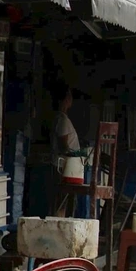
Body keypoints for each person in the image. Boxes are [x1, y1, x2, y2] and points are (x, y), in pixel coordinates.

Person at [51, 85, 81, 217]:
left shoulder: (62, 119)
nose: (71, 99)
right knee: (62, 200)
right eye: (69, 96)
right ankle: (60, 223)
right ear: (64, 100)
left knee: (64, 200)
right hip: (65, 167)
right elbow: (63, 145)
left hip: (67, 166)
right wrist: (75, 154)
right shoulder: (62, 121)